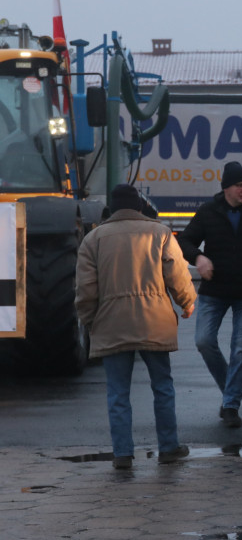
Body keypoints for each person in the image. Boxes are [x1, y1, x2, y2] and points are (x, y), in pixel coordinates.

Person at [74, 184, 196, 470]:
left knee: (118, 393)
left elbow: (85, 290)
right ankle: (168, 447)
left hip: (111, 323)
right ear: (139, 207)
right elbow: (176, 274)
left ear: (111, 209)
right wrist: (187, 302)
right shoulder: (160, 233)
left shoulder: (93, 239)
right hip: (155, 321)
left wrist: (92, 320)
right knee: (163, 387)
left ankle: (122, 454)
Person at [177, 161, 242, 428]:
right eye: (240, 185)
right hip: (215, 290)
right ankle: (231, 390)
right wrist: (199, 257)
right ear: (226, 187)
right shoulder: (209, 211)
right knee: (204, 341)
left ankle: (230, 406)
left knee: (241, 349)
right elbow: (183, 241)